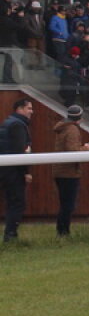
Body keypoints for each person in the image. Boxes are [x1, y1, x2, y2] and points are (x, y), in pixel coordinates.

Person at [52, 105, 89, 236]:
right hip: (69, 172)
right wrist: (86, 149)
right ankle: (63, 232)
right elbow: (73, 151)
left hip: (60, 170)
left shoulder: (63, 127)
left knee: (65, 203)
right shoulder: (72, 129)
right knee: (68, 204)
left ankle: (62, 231)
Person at [1, 98, 34, 242]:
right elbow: (20, 151)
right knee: (17, 203)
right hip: (13, 171)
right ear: (19, 109)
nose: (32, 111)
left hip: (6, 169)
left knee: (11, 202)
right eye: (29, 108)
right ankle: (10, 236)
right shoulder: (17, 125)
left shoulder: (8, 122)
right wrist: (26, 172)